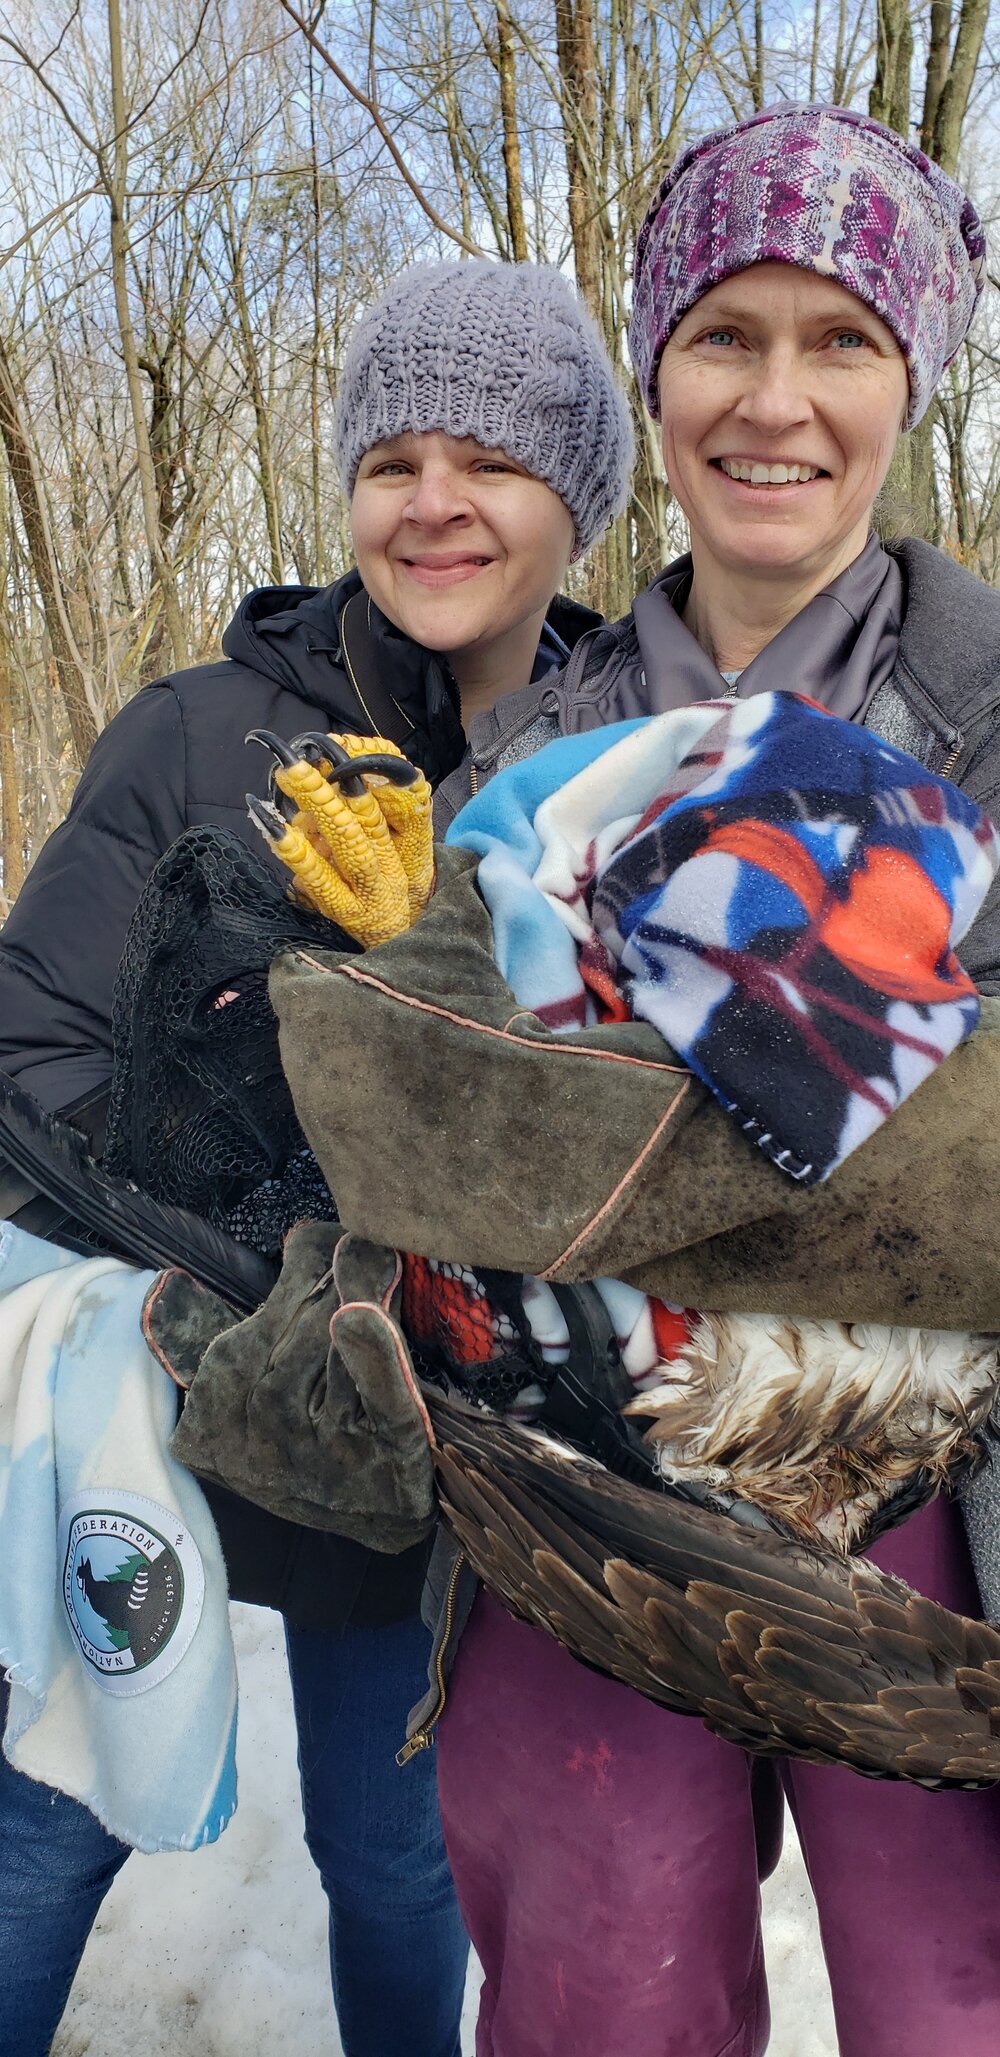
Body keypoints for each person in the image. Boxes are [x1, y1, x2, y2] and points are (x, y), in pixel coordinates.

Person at [410, 107, 1000, 2057]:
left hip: (947, 1490)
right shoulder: (534, 750)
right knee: (603, 1969)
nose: (774, 399)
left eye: (836, 340)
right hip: (592, 1483)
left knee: (954, 1996)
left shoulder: (988, 706)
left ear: (905, 378)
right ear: (651, 370)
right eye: (720, 336)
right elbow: (435, 1126)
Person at [0, 258, 633, 2056]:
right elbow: (26, 1050)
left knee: (394, 1843)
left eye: (492, 459)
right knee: (50, 1821)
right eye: (393, 457)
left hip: (432, 1429)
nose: (433, 500)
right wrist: (250, 1221)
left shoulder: (619, 764)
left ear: (574, 492)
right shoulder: (200, 734)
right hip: (164, 1371)